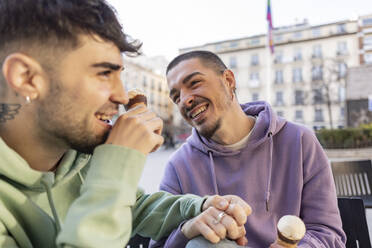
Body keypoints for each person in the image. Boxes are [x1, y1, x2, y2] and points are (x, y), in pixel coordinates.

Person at [0, 2, 252, 247]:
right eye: (103, 73)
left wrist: (199, 207)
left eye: (119, 75)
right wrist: (115, 166)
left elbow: (134, 207)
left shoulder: (77, 156)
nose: (122, 96)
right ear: (27, 77)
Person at [150, 50, 347, 247]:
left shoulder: (300, 141)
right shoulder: (179, 165)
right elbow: (159, 244)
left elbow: (327, 232)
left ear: (228, 80)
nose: (185, 100)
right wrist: (188, 230)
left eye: (194, 83)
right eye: (176, 97)